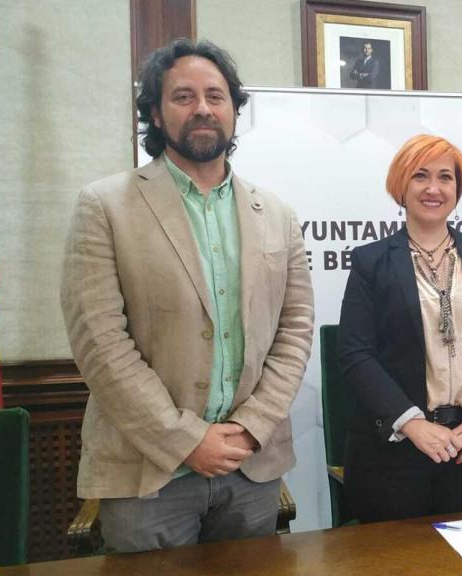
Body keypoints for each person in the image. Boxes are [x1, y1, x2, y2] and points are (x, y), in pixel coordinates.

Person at [60, 39, 315, 552]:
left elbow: (295, 330)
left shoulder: (278, 215)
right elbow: (100, 343)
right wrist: (186, 439)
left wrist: (251, 426)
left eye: (216, 96)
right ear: (154, 112)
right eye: (183, 96)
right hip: (149, 473)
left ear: (234, 110)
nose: (202, 108)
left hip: (251, 467)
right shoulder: (104, 206)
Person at [338, 134, 462, 522]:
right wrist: (412, 423)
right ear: (401, 186)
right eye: (420, 176)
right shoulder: (371, 262)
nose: (434, 188)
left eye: (445, 177)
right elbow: (355, 353)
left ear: (458, 188)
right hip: (396, 453)